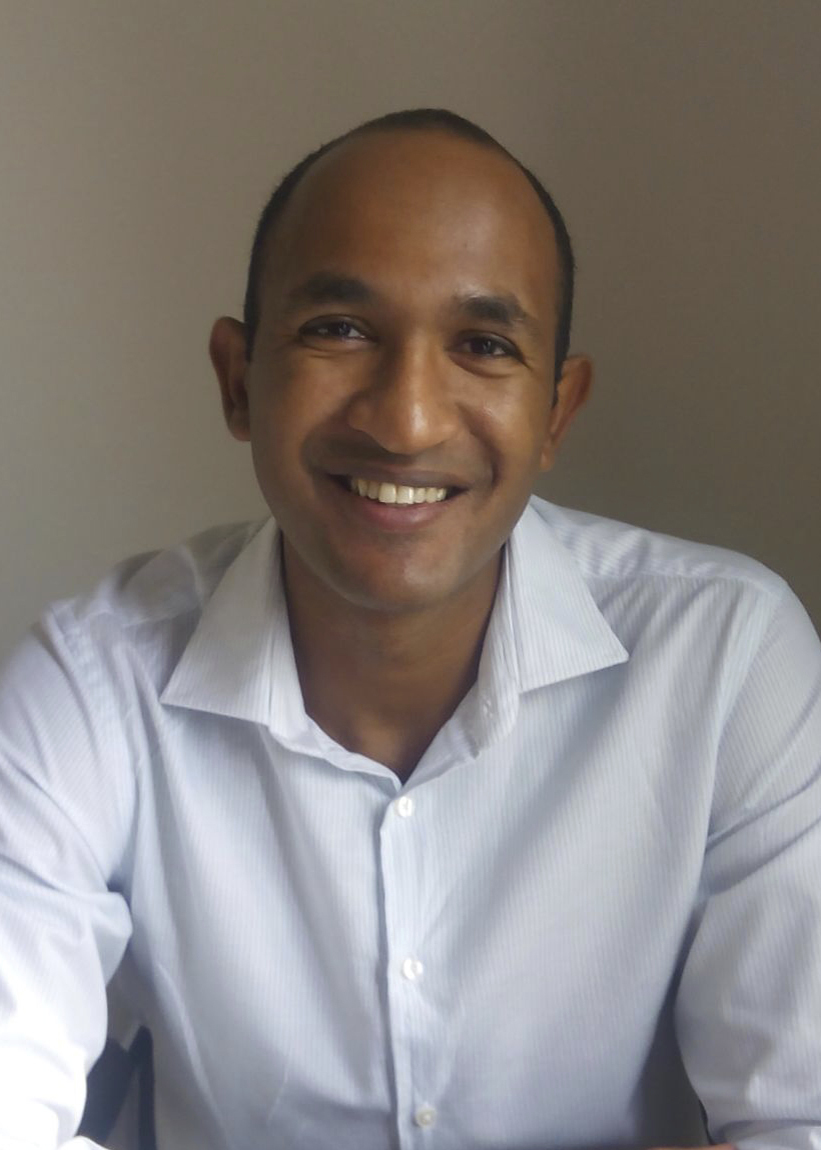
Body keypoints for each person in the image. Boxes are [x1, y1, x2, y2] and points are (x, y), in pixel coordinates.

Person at [1, 107, 819, 1150]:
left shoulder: (726, 659)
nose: (406, 420)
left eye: (482, 345)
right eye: (339, 330)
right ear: (237, 381)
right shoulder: (89, 684)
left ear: (556, 411)